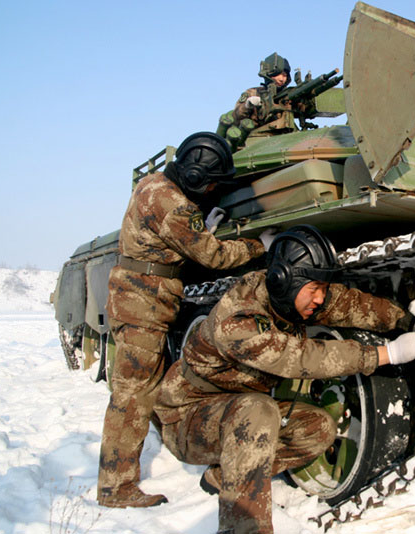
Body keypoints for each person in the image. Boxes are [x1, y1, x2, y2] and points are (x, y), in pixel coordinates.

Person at [154, 225, 415, 534]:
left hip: (234, 409)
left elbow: (347, 305)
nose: (320, 298)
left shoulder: (290, 297)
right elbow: (301, 357)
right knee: (256, 412)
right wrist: (387, 354)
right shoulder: (238, 321)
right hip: (188, 417)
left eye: (322, 289)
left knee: (319, 429)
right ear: (283, 280)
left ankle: (223, 476)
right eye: (314, 289)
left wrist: (407, 319)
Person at [98, 131, 277, 508]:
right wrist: (261, 245)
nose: (211, 188)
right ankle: (116, 486)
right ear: (195, 176)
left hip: (139, 297)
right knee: (133, 395)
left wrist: (200, 227)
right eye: (209, 182)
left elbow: (172, 240)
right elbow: (214, 258)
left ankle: (169, 443)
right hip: (142, 302)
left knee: (150, 383)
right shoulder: (173, 205)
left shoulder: (154, 184)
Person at [218, 52, 296, 148]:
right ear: (270, 73)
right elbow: (235, 117)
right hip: (254, 142)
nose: (281, 79)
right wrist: (247, 106)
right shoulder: (253, 93)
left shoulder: (289, 96)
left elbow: (304, 108)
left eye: (285, 75)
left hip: (285, 141)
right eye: (278, 74)